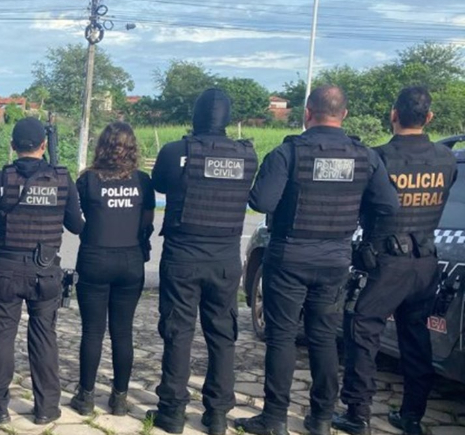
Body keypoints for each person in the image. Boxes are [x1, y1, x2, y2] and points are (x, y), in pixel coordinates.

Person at [236, 85, 399, 435]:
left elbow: (261, 202)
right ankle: (322, 418)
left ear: (307, 113)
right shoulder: (365, 156)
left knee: (281, 337)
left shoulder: (288, 153)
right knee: (323, 338)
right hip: (335, 260)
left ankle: (274, 418)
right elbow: (389, 205)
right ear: (344, 114)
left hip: (289, 257)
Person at [334, 87, 458, 435]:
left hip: (387, 261)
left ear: (393, 114)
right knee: (416, 337)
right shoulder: (446, 159)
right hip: (426, 262)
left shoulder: (378, 157)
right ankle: (412, 416)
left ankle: (357, 413)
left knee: (362, 329)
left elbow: (363, 205)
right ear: (429, 117)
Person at [145, 89, 258, 435]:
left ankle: (172, 413)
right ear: (228, 119)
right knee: (222, 335)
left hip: (183, 256)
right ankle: (218, 414)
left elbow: (159, 183)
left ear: (195, 117)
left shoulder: (175, 151)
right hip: (225, 259)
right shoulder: (246, 156)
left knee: (177, 332)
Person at [0, 117, 85, 425]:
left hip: (5, 270)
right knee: (44, 337)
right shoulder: (62, 180)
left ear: (12, 146)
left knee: (1, 338)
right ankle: (46, 408)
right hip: (46, 272)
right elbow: (76, 225)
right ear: (44, 146)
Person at [69, 122, 155, 417]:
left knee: (92, 331)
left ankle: (86, 396)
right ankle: (119, 398)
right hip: (130, 261)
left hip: (94, 259)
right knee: (123, 331)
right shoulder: (143, 181)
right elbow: (147, 222)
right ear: (132, 148)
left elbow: (77, 221)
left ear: (101, 147)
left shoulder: (87, 180)